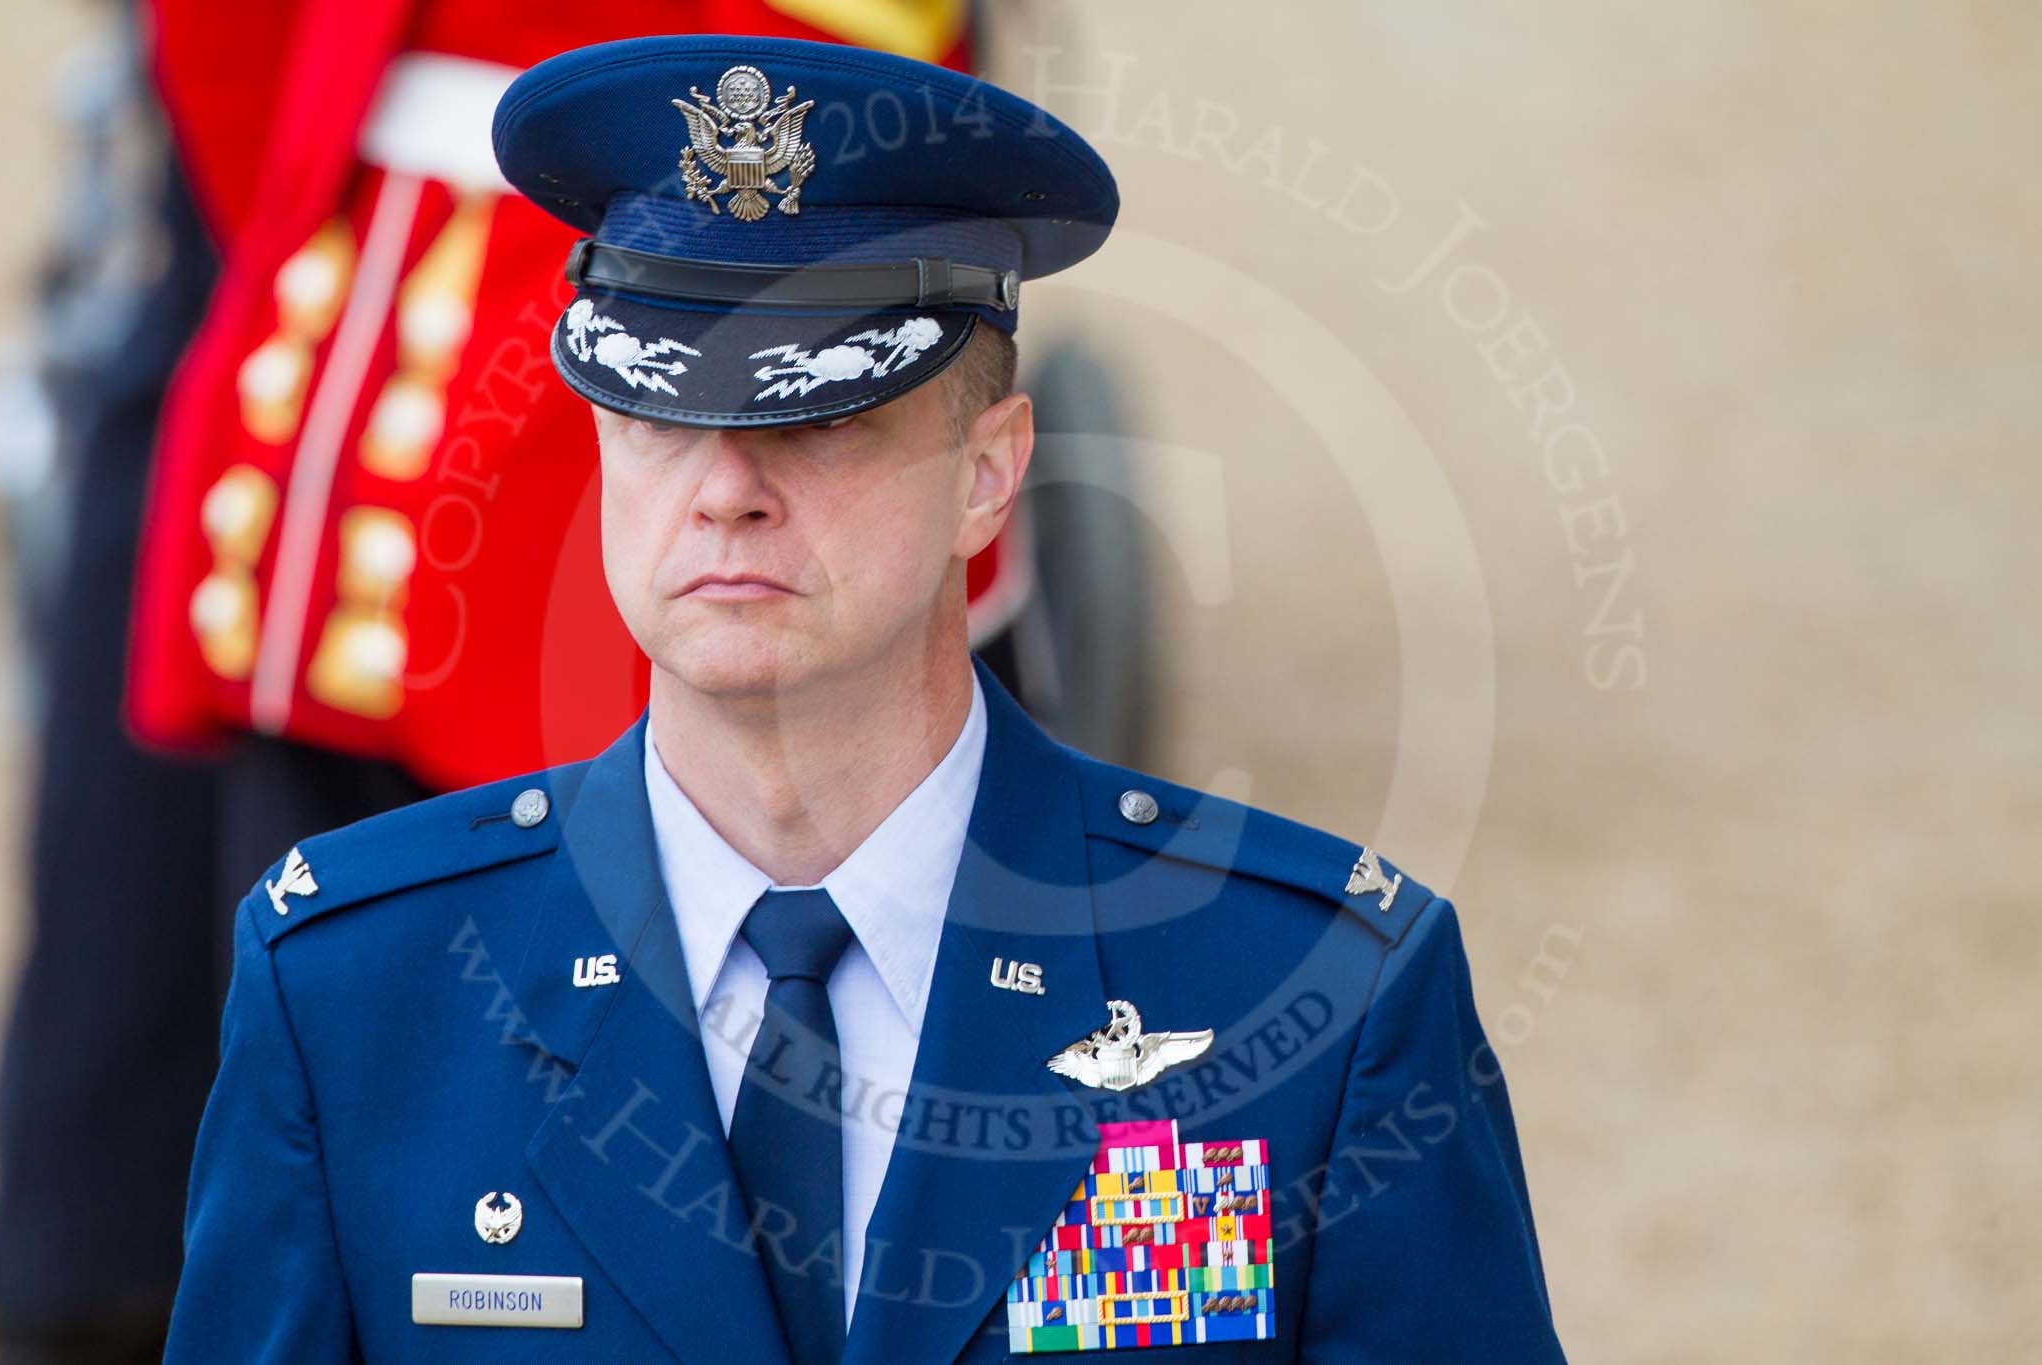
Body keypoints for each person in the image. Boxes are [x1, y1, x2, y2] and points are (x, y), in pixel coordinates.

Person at [164, 34, 1567, 1363]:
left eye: (818, 415)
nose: (725, 489)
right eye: (659, 412)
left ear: (990, 473)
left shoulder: (1318, 1007)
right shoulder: (353, 998)